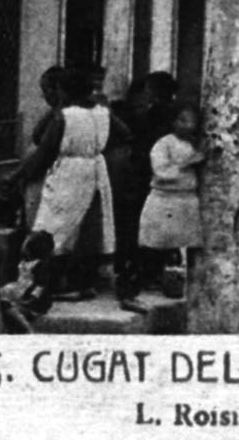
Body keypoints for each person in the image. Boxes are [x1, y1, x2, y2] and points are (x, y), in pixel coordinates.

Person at [24, 67, 116, 298]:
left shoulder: (66, 116)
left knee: (55, 228)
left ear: (62, 90)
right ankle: (83, 283)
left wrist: (19, 177)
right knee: (86, 226)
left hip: (69, 173)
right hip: (95, 169)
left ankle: (59, 284)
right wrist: (96, 149)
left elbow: (43, 148)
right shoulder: (102, 111)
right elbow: (123, 132)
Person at [110, 71, 179, 310]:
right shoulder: (174, 113)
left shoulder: (156, 114)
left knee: (139, 225)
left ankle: (140, 273)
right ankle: (155, 271)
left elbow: (141, 141)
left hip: (147, 175)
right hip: (164, 177)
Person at [138, 101, 205, 296]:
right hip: (165, 198)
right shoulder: (164, 143)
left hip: (186, 199)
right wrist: (186, 163)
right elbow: (160, 170)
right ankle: (151, 277)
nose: (187, 125)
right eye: (182, 120)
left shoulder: (195, 143)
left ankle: (175, 280)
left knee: (181, 243)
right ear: (173, 122)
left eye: (192, 121)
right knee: (158, 241)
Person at [0, 230, 56, 333]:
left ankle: (28, 329)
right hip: (22, 292)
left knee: (7, 306)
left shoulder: (39, 265)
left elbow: (40, 287)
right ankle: (1, 328)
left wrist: (30, 300)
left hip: (33, 301)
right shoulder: (25, 262)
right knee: (0, 303)